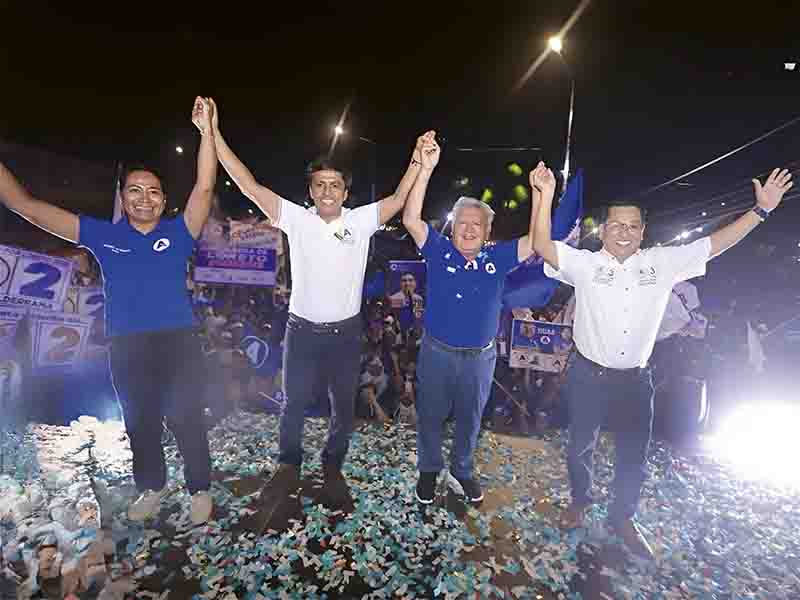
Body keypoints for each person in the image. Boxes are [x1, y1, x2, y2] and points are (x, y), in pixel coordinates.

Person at [532, 165, 793, 558]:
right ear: (603, 230)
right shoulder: (585, 264)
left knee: (633, 453)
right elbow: (542, 245)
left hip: (635, 380)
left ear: (642, 231)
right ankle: (580, 502)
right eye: (616, 225)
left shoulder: (662, 263)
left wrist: (760, 211)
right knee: (579, 446)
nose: (623, 232)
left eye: (632, 226)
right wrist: (544, 195)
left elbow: (715, 244)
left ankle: (623, 518)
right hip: (588, 374)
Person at [0, 97, 218, 525]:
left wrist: (207, 132)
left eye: (153, 192)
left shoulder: (180, 232)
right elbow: (25, 205)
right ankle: (152, 486)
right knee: (140, 421)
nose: (144, 198)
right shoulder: (102, 235)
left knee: (185, 415)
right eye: (135, 190)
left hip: (178, 342)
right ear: (122, 198)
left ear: (163, 200)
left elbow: (205, 187)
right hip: (127, 344)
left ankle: (199, 488)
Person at [209, 97, 429, 517]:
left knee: (341, 405)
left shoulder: (360, 221)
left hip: (345, 333)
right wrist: (214, 135)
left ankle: (332, 466)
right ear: (310, 190)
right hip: (302, 331)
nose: (327, 191)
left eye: (335, 185)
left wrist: (418, 158)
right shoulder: (296, 219)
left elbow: (400, 197)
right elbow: (249, 185)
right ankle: (289, 464)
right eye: (320, 184)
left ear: (346, 192)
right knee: (292, 403)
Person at [402, 132, 555, 506]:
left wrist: (541, 194)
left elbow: (537, 241)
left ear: (487, 233)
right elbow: (410, 218)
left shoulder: (497, 259)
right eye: (462, 223)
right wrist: (425, 169)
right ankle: (428, 469)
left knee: (471, 419)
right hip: (437, 352)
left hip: (480, 358)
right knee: (431, 415)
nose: (469, 229)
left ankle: (462, 470)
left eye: (477, 225)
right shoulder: (438, 251)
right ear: (453, 227)